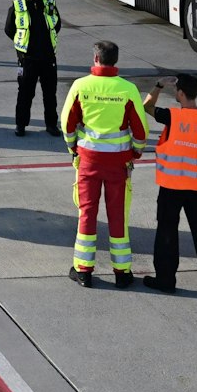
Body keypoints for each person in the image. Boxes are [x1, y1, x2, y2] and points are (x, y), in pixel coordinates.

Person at [59, 40, 147, 286]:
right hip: (118, 162)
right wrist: (135, 153)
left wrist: (73, 149)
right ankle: (122, 272)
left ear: (95, 58)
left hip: (88, 160)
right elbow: (141, 130)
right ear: (115, 60)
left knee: (87, 212)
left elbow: (67, 123)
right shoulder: (127, 89)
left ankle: (83, 270)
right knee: (118, 213)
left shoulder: (80, 86)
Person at [140, 73, 197, 293]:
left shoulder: (172, 116)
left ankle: (166, 279)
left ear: (180, 93)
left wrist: (158, 86)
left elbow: (146, 107)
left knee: (167, 232)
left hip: (172, 185)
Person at [5, 0, 62, 137]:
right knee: (25, 93)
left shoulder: (49, 5)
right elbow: (9, 30)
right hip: (27, 59)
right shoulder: (17, 7)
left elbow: (56, 25)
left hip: (48, 59)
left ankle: (51, 125)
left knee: (50, 94)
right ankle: (21, 124)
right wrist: (23, 45)